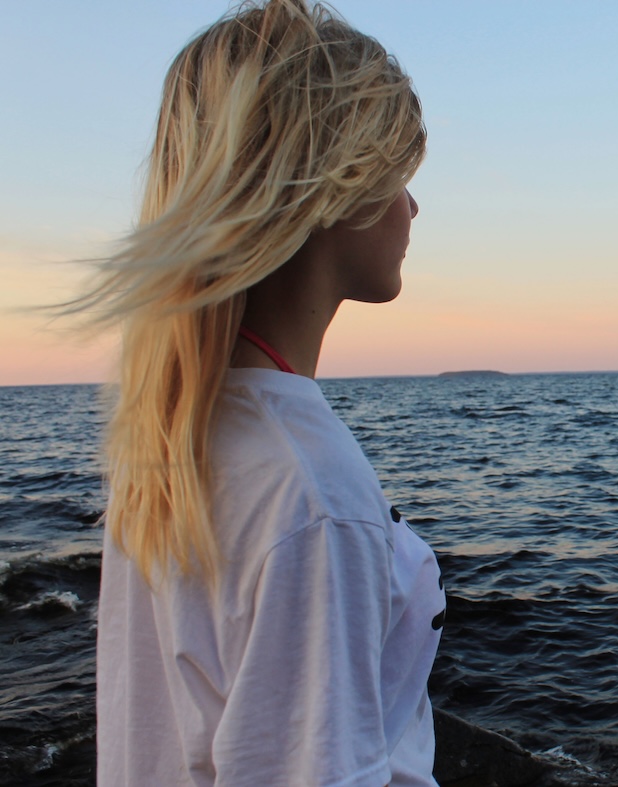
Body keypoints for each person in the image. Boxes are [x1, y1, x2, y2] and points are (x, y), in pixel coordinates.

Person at [68, 1, 445, 784]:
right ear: (334, 187)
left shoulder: (170, 436)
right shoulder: (308, 491)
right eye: (399, 172)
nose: (413, 206)